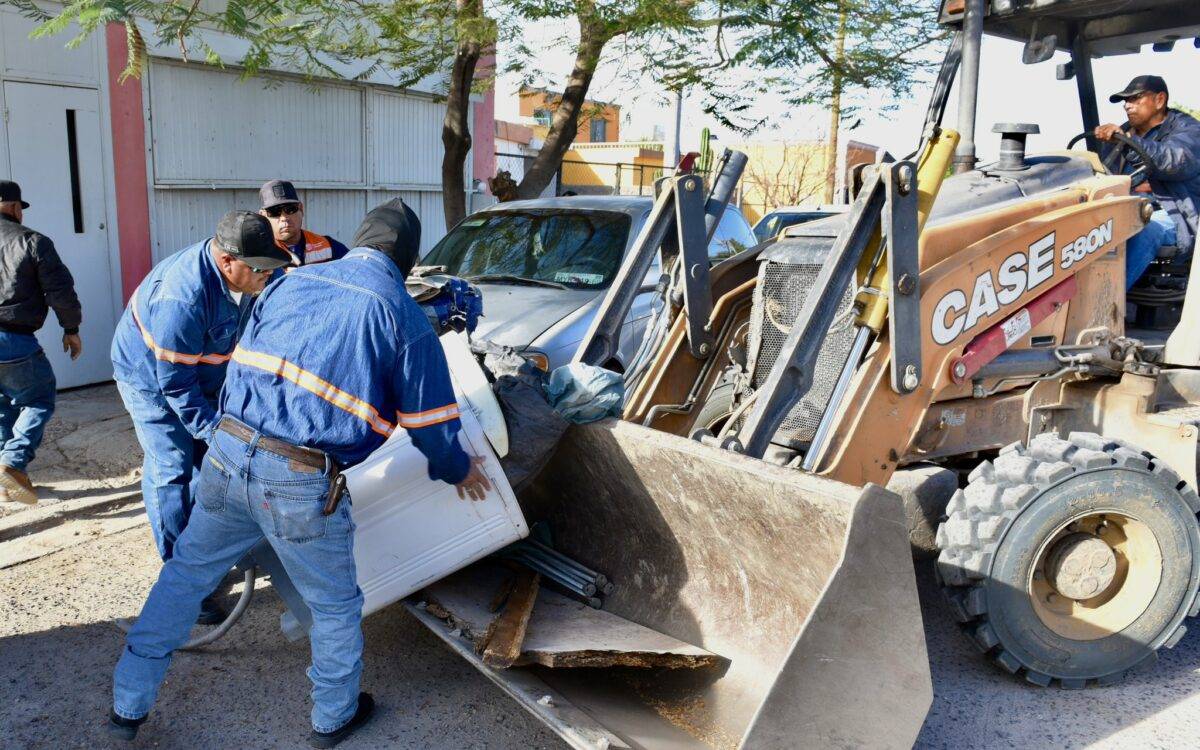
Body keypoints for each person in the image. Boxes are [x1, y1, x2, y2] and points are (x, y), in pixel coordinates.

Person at [106, 199, 491, 748]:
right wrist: (459, 470)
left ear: (358, 240)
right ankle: (333, 716)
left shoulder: (290, 282)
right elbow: (432, 428)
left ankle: (128, 705)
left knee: (184, 577)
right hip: (298, 480)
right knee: (334, 606)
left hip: (227, 452)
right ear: (407, 260)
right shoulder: (402, 316)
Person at [110, 211, 291, 623]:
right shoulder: (183, 299)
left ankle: (202, 552)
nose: (269, 275)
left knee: (205, 467)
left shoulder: (253, 273)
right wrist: (215, 433)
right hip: (152, 379)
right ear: (228, 262)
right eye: (261, 268)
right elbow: (175, 386)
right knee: (173, 465)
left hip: (203, 369)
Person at [0, 180, 82, 505]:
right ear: (16, 207)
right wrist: (71, 328)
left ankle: (7, 481)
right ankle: (13, 462)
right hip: (13, 338)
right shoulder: (33, 241)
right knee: (38, 398)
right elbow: (60, 291)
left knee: (2, 407)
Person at [1094, 75, 1200, 288]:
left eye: (1135, 99)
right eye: (1125, 101)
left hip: (1177, 213)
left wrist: (1129, 143)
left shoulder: (1189, 130)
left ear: (1159, 100)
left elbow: (1174, 160)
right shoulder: (1120, 136)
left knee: (1146, 228)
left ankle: (1106, 299)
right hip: (1128, 209)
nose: (1127, 106)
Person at [259, 180, 350, 267]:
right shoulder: (259, 254)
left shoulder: (328, 246)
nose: (284, 218)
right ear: (263, 216)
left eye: (290, 209)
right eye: (274, 212)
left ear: (301, 209)